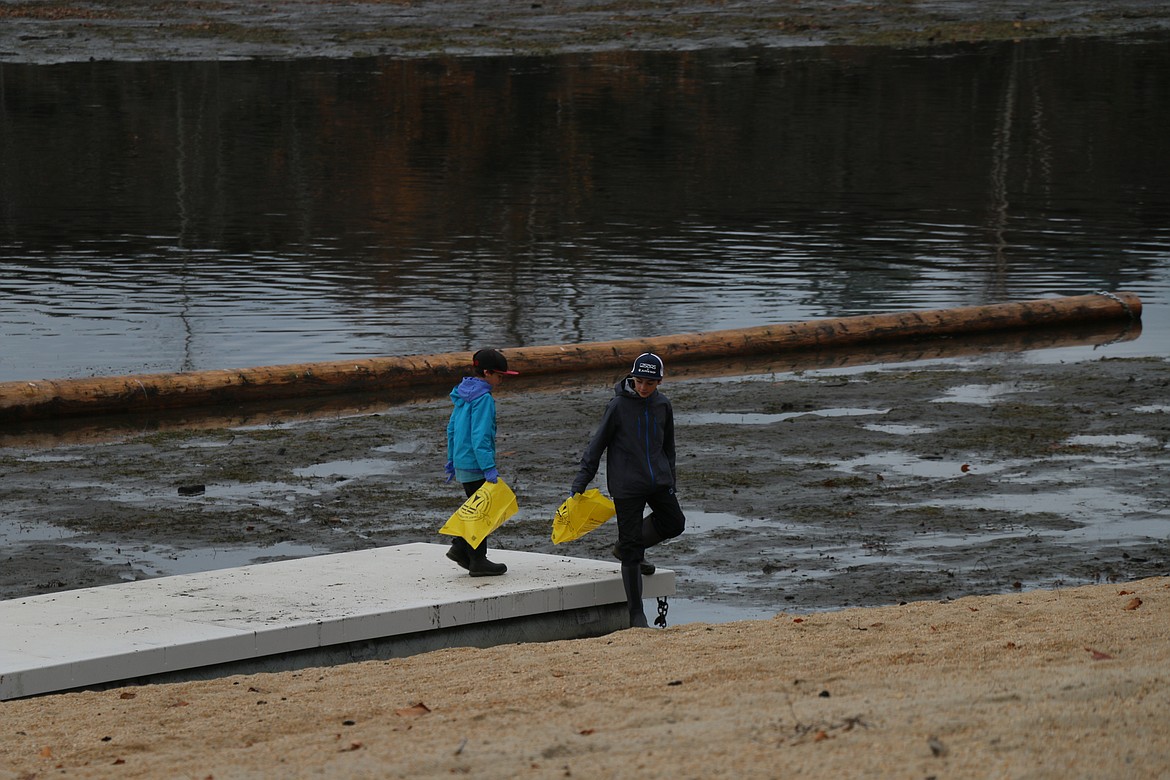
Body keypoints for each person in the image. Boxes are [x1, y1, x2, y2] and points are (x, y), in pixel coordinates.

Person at [570, 351, 685, 627]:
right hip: (627, 486)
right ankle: (636, 615)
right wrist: (580, 483)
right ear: (632, 377)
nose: (643, 387)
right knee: (633, 551)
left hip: (658, 481)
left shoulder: (662, 406)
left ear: (659, 383)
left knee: (674, 523)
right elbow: (596, 445)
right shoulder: (617, 406)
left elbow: (668, 447)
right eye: (639, 381)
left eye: (650, 383)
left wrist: (671, 479)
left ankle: (625, 545)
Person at [444, 348, 519, 576]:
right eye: (499, 375)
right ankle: (474, 558)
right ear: (486, 373)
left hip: (462, 461)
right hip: (477, 464)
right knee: (486, 509)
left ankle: (464, 552)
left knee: (477, 508)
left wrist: (451, 460)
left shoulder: (462, 393)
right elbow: (481, 436)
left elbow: (451, 429)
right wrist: (489, 468)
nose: (501, 380)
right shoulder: (484, 398)